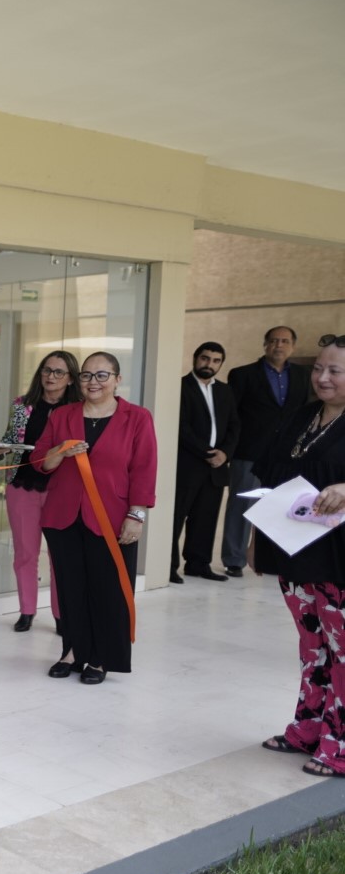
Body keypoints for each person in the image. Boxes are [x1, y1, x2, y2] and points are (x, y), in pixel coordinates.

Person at [252, 335, 345, 778]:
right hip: (296, 554)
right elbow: (270, 480)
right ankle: (307, 728)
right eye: (318, 369)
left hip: (338, 560)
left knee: (342, 650)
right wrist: (256, 540)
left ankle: (340, 744)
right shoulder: (303, 416)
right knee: (313, 647)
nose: (323, 378)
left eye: (335, 371)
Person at [34, 352, 157, 684]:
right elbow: (39, 462)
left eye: (102, 375)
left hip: (112, 517)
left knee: (108, 590)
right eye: (87, 375)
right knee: (72, 589)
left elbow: (144, 469)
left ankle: (101, 657)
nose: (93, 382)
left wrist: (137, 514)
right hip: (64, 516)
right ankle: (72, 651)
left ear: (117, 380)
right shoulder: (62, 415)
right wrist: (59, 452)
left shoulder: (137, 417)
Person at [0, 351, 82, 633]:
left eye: (58, 372)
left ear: (70, 379)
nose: (50, 377)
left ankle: (61, 614)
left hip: (61, 489)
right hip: (23, 486)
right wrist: (2, 448)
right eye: (46, 370)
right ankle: (27, 610)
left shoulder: (78, 409)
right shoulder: (22, 405)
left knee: (60, 556)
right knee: (25, 553)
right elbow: (10, 438)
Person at [222, 326, 310, 578]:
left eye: (284, 341)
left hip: (286, 454)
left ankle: (274, 558)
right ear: (265, 345)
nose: (278, 345)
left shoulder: (303, 375)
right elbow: (233, 416)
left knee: (282, 506)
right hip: (248, 451)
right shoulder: (243, 375)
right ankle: (234, 559)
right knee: (242, 505)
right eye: (273, 341)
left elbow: (304, 413)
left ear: (292, 345)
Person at [171, 342, 239, 583]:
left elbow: (234, 426)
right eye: (205, 358)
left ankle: (198, 564)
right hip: (187, 465)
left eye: (215, 360)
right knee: (176, 516)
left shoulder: (225, 391)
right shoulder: (180, 386)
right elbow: (181, 426)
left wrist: (225, 454)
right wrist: (208, 452)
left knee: (206, 518)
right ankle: (169, 566)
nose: (209, 364)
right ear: (195, 358)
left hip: (216, 467)